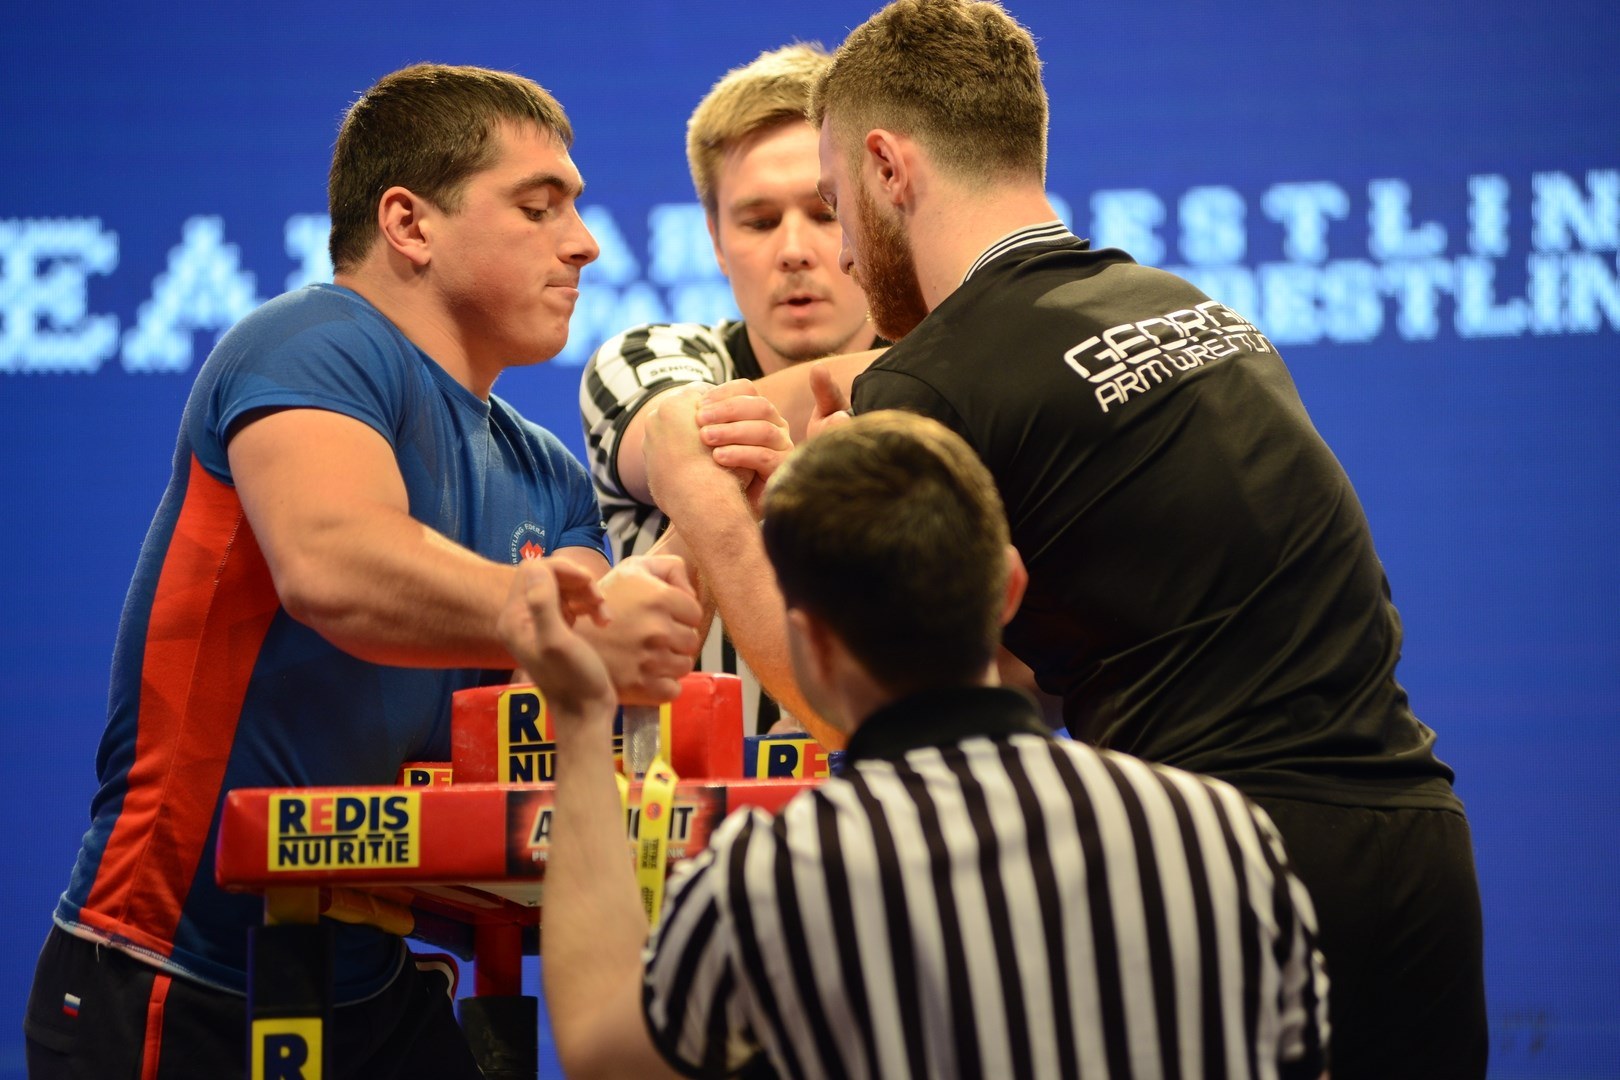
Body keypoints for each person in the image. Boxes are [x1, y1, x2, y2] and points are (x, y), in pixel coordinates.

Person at [644, 2, 1489, 1076]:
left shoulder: (935, 382)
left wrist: (696, 489)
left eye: (836, 202)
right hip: (1419, 848)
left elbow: (847, 694)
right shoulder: (1174, 302)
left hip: (1237, 867)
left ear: (888, 168)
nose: (844, 254)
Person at [23, 63, 702, 1080]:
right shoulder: (308, 341)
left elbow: (566, 693)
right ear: (409, 224)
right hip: (172, 979)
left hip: (377, 984)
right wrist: (572, 619)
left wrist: (679, 578)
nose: (586, 242)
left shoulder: (551, 477)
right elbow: (334, 566)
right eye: (539, 204)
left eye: (578, 207)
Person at [503, 410, 1329, 1080]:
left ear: (810, 648)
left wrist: (582, 720)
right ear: (1007, 588)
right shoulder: (1221, 831)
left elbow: (606, 1050)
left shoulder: (779, 874)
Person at [580, 43, 884, 734]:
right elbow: (677, 431)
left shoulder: (945, 370)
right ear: (715, 240)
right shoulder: (644, 356)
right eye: (758, 220)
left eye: (824, 209)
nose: (795, 249)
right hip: (675, 822)